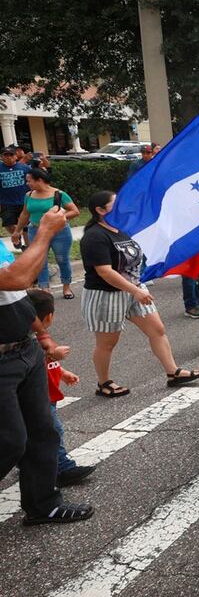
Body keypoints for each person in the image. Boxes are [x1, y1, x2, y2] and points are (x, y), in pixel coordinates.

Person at [0, 202, 93, 524]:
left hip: (24, 349)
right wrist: (44, 233)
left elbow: (17, 293)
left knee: (43, 432)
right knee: (10, 440)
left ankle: (43, 505)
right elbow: (17, 277)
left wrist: (41, 336)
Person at [79, 191, 199, 396]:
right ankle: (103, 383)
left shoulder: (122, 229)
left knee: (157, 329)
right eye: (115, 204)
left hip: (134, 290)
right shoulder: (94, 236)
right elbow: (104, 271)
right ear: (100, 210)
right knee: (107, 342)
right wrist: (135, 290)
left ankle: (173, 372)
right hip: (107, 295)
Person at [26, 288, 96, 486]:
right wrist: (52, 355)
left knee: (35, 432)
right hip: (41, 396)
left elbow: (48, 365)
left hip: (46, 394)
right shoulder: (35, 341)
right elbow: (35, 363)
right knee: (53, 431)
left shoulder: (37, 336)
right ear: (49, 317)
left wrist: (62, 372)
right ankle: (62, 468)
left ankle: (29, 463)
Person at [11, 168, 79, 298]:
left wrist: (58, 218)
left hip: (59, 232)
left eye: (29, 181)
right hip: (35, 231)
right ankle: (44, 289)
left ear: (39, 180)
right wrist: (17, 231)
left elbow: (75, 211)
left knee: (62, 260)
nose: (27, 184)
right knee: (39, 260)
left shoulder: (59, 194)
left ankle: (66, 287)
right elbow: (25, 214)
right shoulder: (29, 195)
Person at [1, 145, 31, 247]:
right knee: (9, 224)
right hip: (7, 202)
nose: (8, 157)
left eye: (11, 155)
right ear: (2, 157)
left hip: (24, 201)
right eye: (6, 155)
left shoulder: (25, 168)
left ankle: (27, 246)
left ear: (15, 156)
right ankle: (17, 236)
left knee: (27, 225)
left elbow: (32, 181)